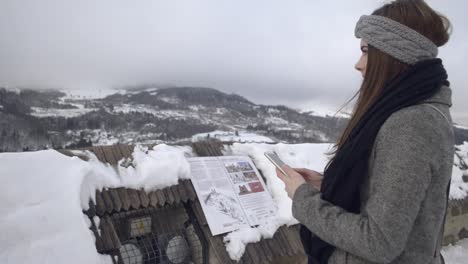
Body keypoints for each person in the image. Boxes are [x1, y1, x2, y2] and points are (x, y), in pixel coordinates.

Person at [276, 0, 454, 263]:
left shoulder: (411, 124)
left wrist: (303, 198)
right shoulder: (416, 112)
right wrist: (326, 185)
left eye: (366, 51)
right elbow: (398, 199)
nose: (358, 64)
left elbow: (378, 241)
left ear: (395, 55)